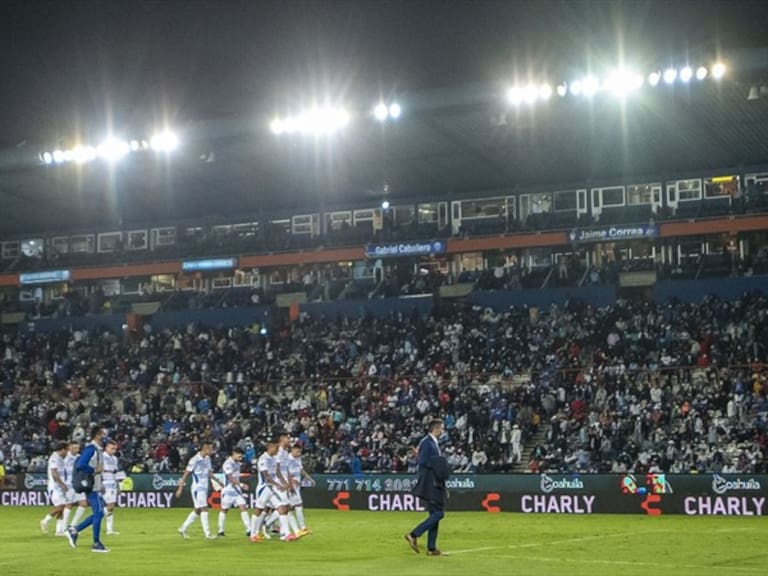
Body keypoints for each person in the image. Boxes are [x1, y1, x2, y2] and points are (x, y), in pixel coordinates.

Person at [405, 419, 450, 556]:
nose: (442, 431)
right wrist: (439, 467)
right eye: (441, 429)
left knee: (434, 515)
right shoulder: (427, 443)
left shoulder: (431, 443)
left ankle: (431, 548)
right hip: (431, 484)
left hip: (435, 482)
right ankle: (414, 534)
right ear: (435, 429)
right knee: (439, 513)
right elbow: (423, 462)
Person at [65, 426, 110, 553]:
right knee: (99, 512)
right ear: (97, 435)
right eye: (103, 434)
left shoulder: (97, 449)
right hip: (91, 486)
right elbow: (81, 464)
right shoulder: (91, 449)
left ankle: (74, 530)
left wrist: (100, 482)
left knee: (100, 512)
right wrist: (94, 470)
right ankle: (96, 543)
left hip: (95, 485)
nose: (105, 436)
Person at [249, 438, 296, 542]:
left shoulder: (274, 459)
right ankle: (253, 534)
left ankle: (286, 534)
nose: (277, 450)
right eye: (276, 448)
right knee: (259, 510)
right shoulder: (263, 459)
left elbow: (278, 473)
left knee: (282, 508)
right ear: (270, 447)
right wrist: (278, 485)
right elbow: (266, 477)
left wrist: (285, 484)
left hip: (273, 488)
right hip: (264, 488)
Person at [175, 440, 216, 539]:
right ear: (205, 448)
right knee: (204, 508)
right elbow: (186, 474)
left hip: (204, 487)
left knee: (197, 510)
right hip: (198, 488)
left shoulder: (207, 458)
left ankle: (183, 528)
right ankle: (207, 533)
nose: (212, 450)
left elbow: (209, 472)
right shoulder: (194, 460)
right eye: (210, 448)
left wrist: (217, 482)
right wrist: (180, 488)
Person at [217, 447, 250, 537]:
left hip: (237, 490)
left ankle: (249, 529)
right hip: (228, 490)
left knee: (243, 507)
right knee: (224, 510)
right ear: (234, 453)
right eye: (239, 455)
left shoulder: (237, 464)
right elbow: (230, 478)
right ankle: (220, 530)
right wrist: (242, 485)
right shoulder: (228, 464)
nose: (241, 457)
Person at [40, 442, 69, 535]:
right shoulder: (54, 457)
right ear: (63, 449)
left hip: (60, 486)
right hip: (55, 487)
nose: (68, 452)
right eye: (67, 449)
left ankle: (59, 531)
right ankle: (45, 521)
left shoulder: (60, 458)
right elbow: (54, 473)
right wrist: (62, 485)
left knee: (63, 507)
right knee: (60, 507)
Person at [286, 442, 314, 537]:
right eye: (297, 451)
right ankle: (301, 528)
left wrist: (309, 478)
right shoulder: (287, 459)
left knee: (290, 507)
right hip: (290, 485)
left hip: (296, 486)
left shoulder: (298, 459)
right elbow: (285, 472)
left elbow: (301, 470)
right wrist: (291, 482)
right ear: (292, 450)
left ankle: (301, 528)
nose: (299, 454)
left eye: (300, 452)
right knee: (294, 506)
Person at [62, 441, 88, 535]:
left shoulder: (79, 457)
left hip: (78, 484)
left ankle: (73, 525)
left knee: (83, 503)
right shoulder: (65, 458)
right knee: (69, 504)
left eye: (77, 448)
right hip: (69, 484)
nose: (76, 450)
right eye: (74, 448)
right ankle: (64, 528)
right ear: (69, 448)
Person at [102, 440, 122, 535]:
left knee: (111, 507)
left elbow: (116, 472)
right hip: (105, 483)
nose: (113, 450)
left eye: (115, 449)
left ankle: (109, 529)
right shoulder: (101, 457)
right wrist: (100, 484)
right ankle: (94, 520)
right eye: (112, 448)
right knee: (109, 506)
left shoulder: (114, 459)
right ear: (106, 448)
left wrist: (118, 486)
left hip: (113, 483)